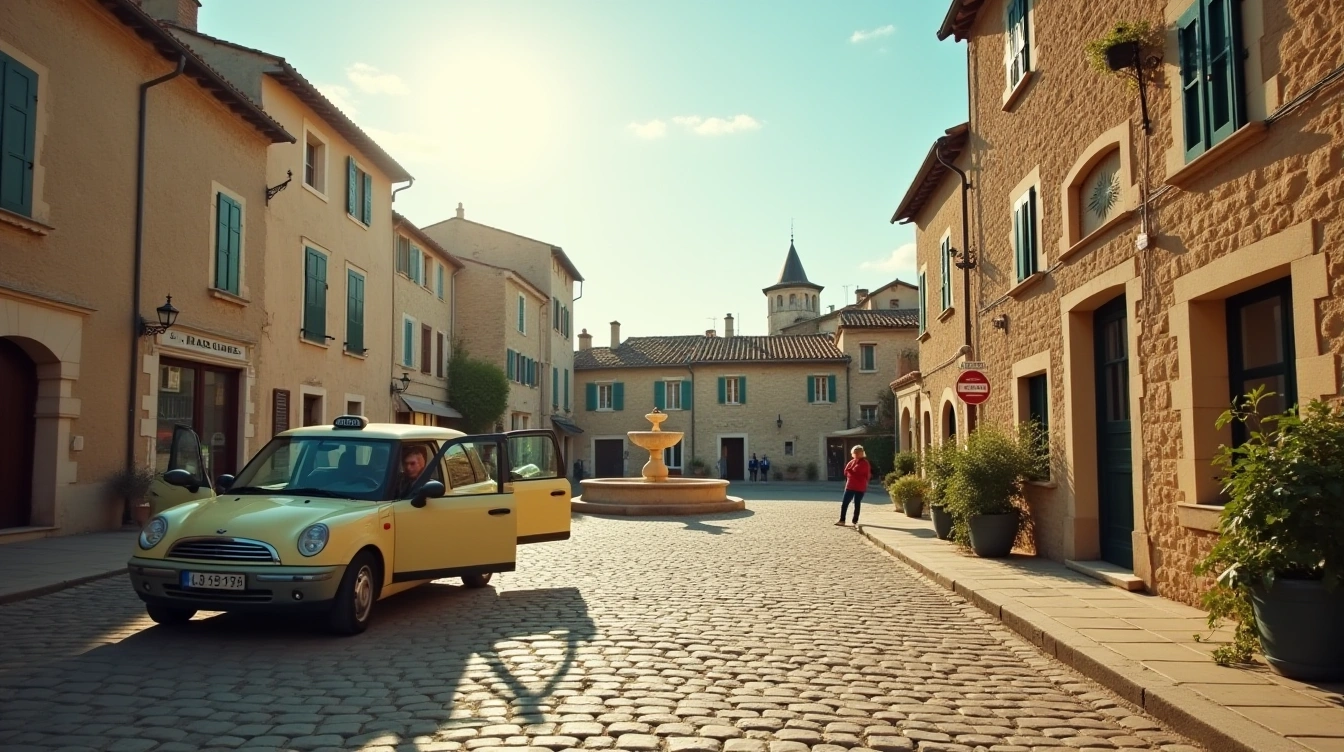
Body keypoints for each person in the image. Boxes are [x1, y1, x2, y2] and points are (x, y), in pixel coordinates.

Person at [837, 445, 872, 527]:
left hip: (860, 486)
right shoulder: (852, 462)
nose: (856, 454)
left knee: (857, 503)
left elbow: (858, 473)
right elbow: (846, 471)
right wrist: (849, 471)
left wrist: (850, 471)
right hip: (850, 485)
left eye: (858, 453)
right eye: (855, 453)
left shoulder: (864, 463)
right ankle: (842, 520)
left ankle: (855, 520)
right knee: (845, 503)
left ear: (862, 453)